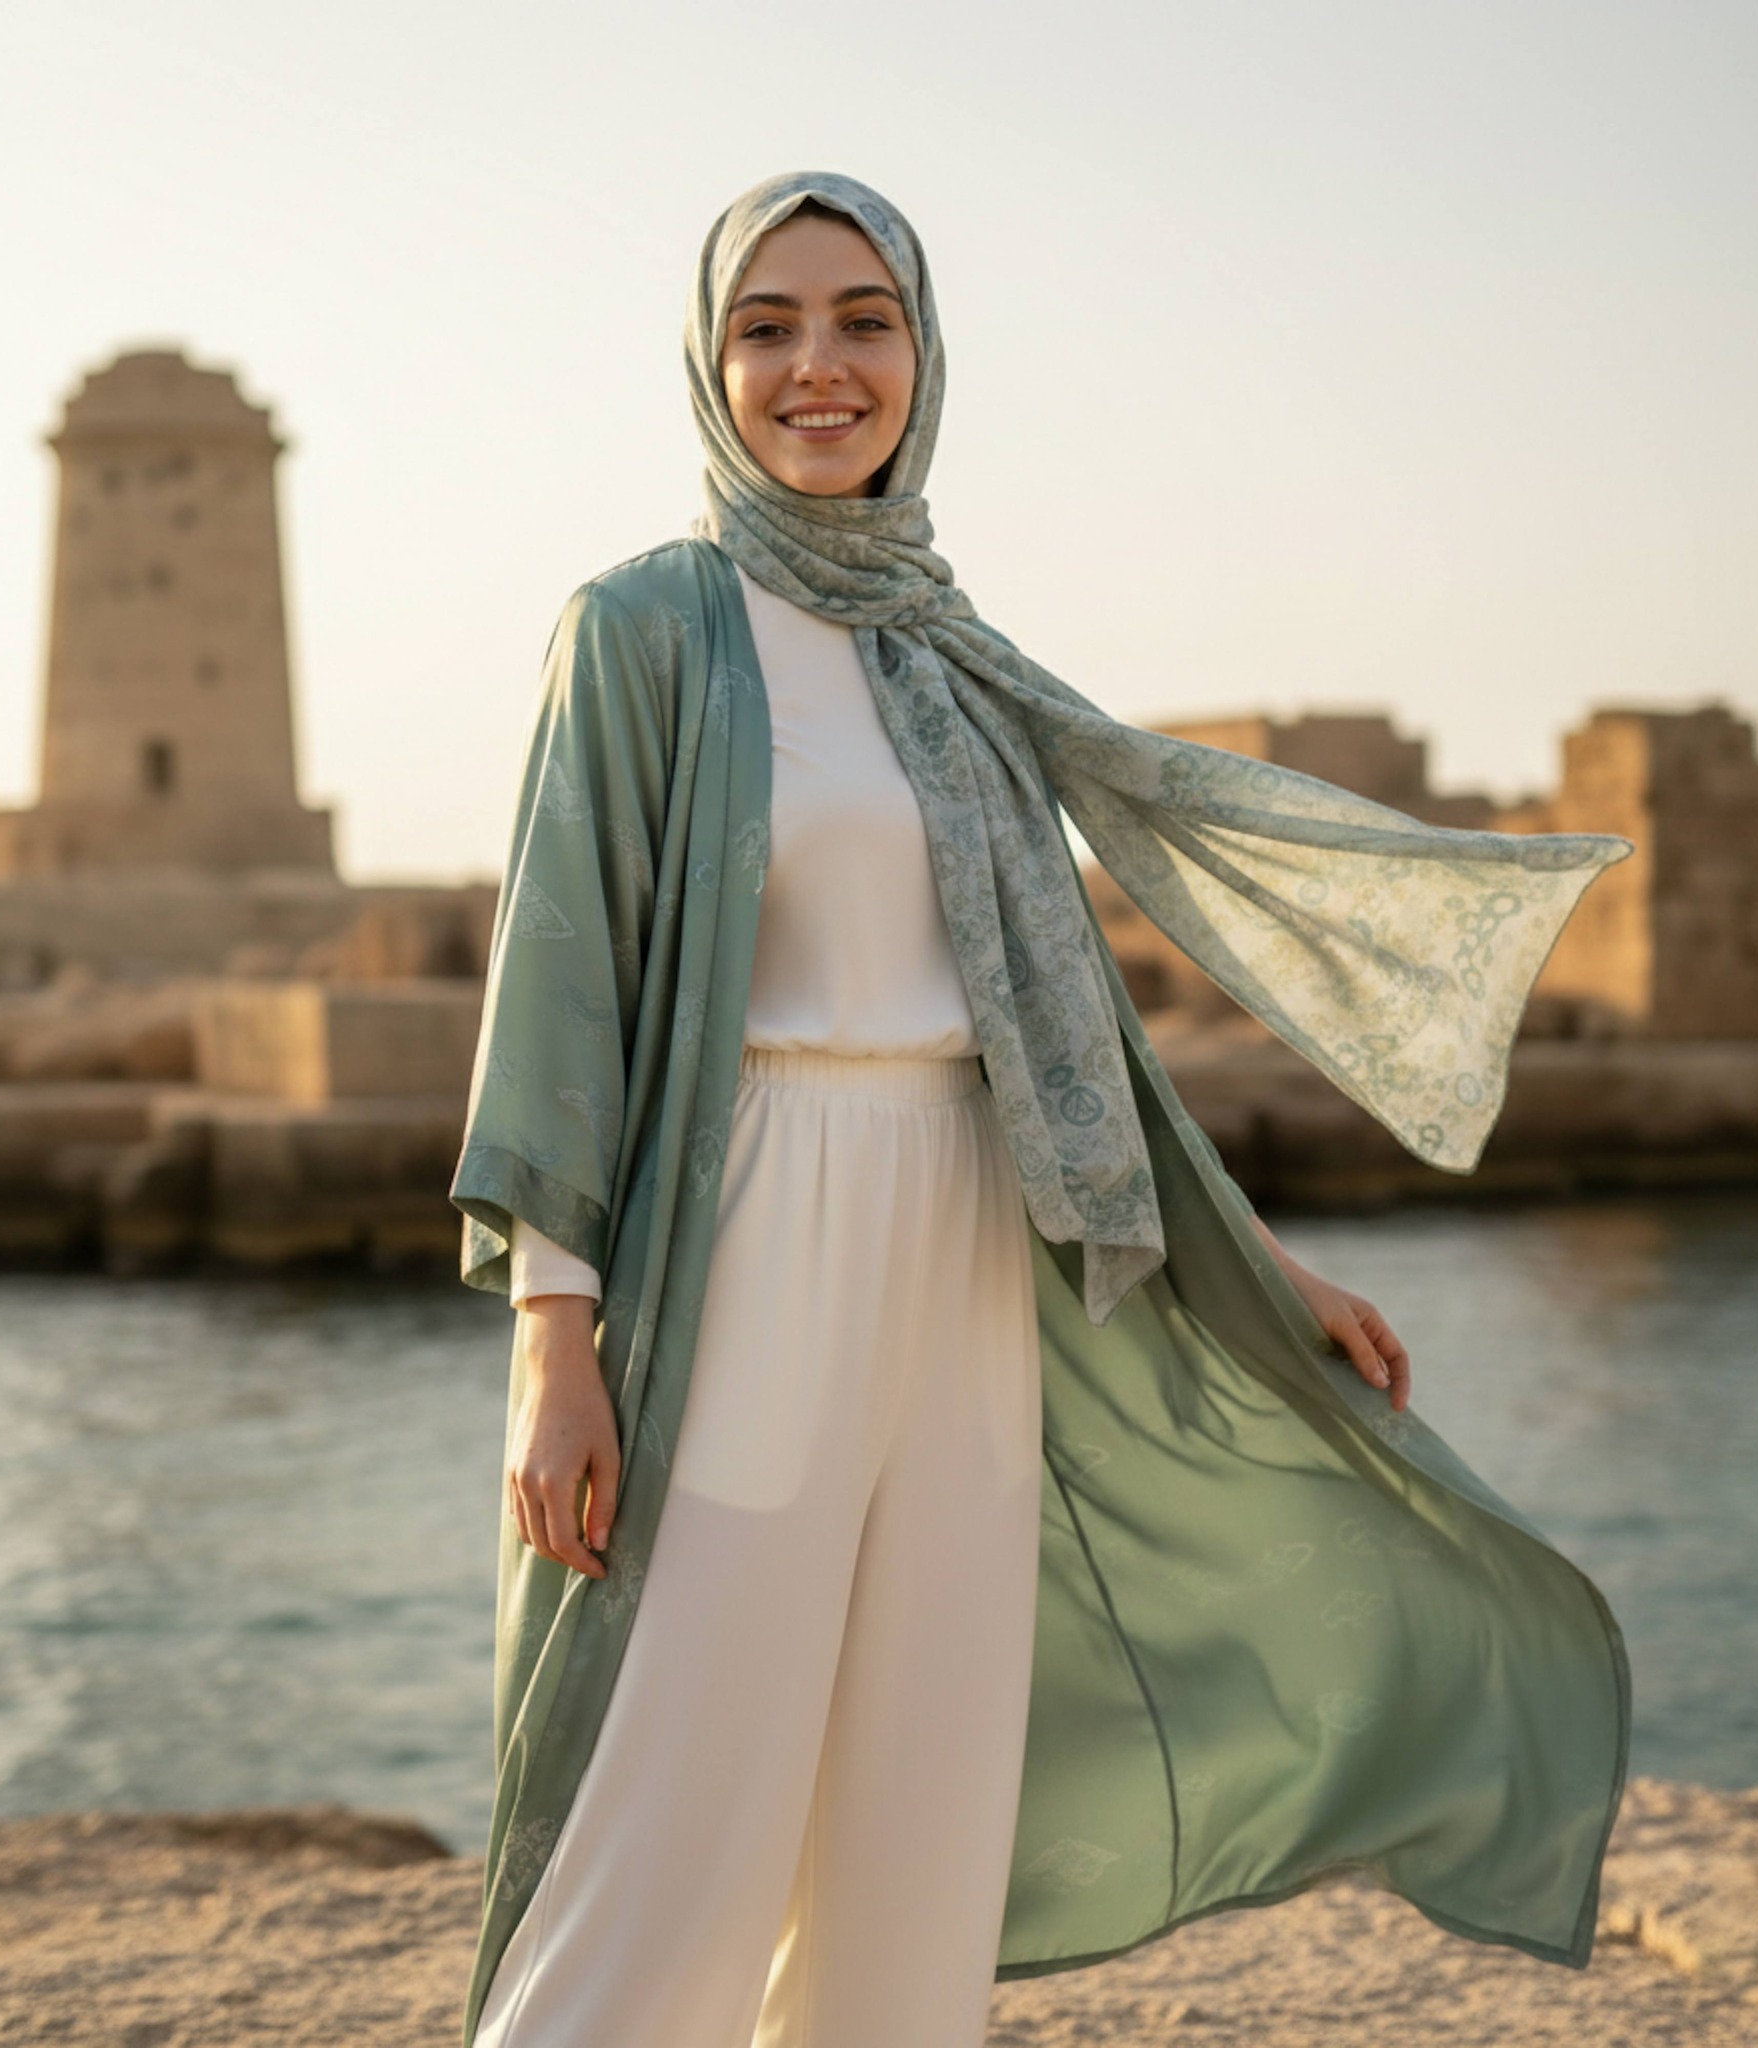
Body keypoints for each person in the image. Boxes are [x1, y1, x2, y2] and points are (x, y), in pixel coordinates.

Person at [450, 171, 1634, 2048]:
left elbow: (1065, 1026)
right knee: (674, 1804)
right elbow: (564, 988)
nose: (818, 366)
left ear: (923, 357)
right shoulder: (643, 629)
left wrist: (1254, 1264)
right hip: (751, 1224)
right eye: (769, 325)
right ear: (707, 360)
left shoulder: (949, 650)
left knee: (916, 1825)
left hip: (971, 1251)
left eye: (865, 321)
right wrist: (552, 1339)